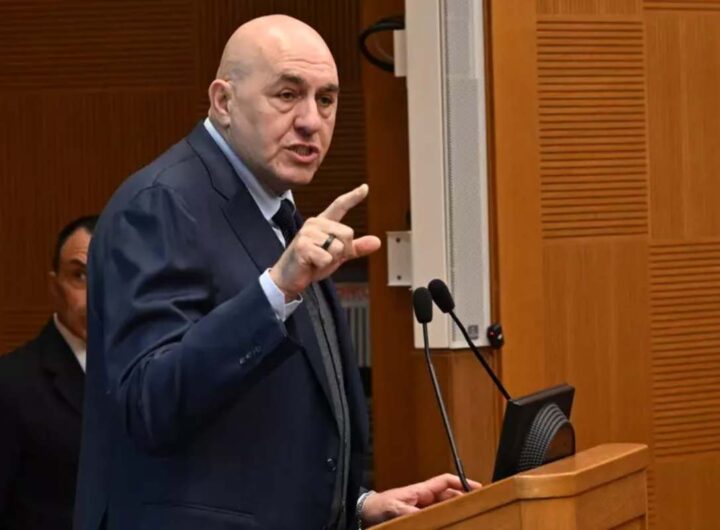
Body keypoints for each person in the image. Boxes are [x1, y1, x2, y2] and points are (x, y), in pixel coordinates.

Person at [74, 15, 478, 530]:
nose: (311, 120)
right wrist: (275, 289)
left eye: (326, 99)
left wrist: (355, 505)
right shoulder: (161, 205)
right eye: (287, 95)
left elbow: (262, 436)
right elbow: (148, 403)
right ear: (223, 102)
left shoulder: (277, 212)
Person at [0, 215, 97, 530]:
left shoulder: (152, 370)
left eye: (111, 274)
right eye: (80, 275)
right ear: (54, 285)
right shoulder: (11, 383)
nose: (96, 294)